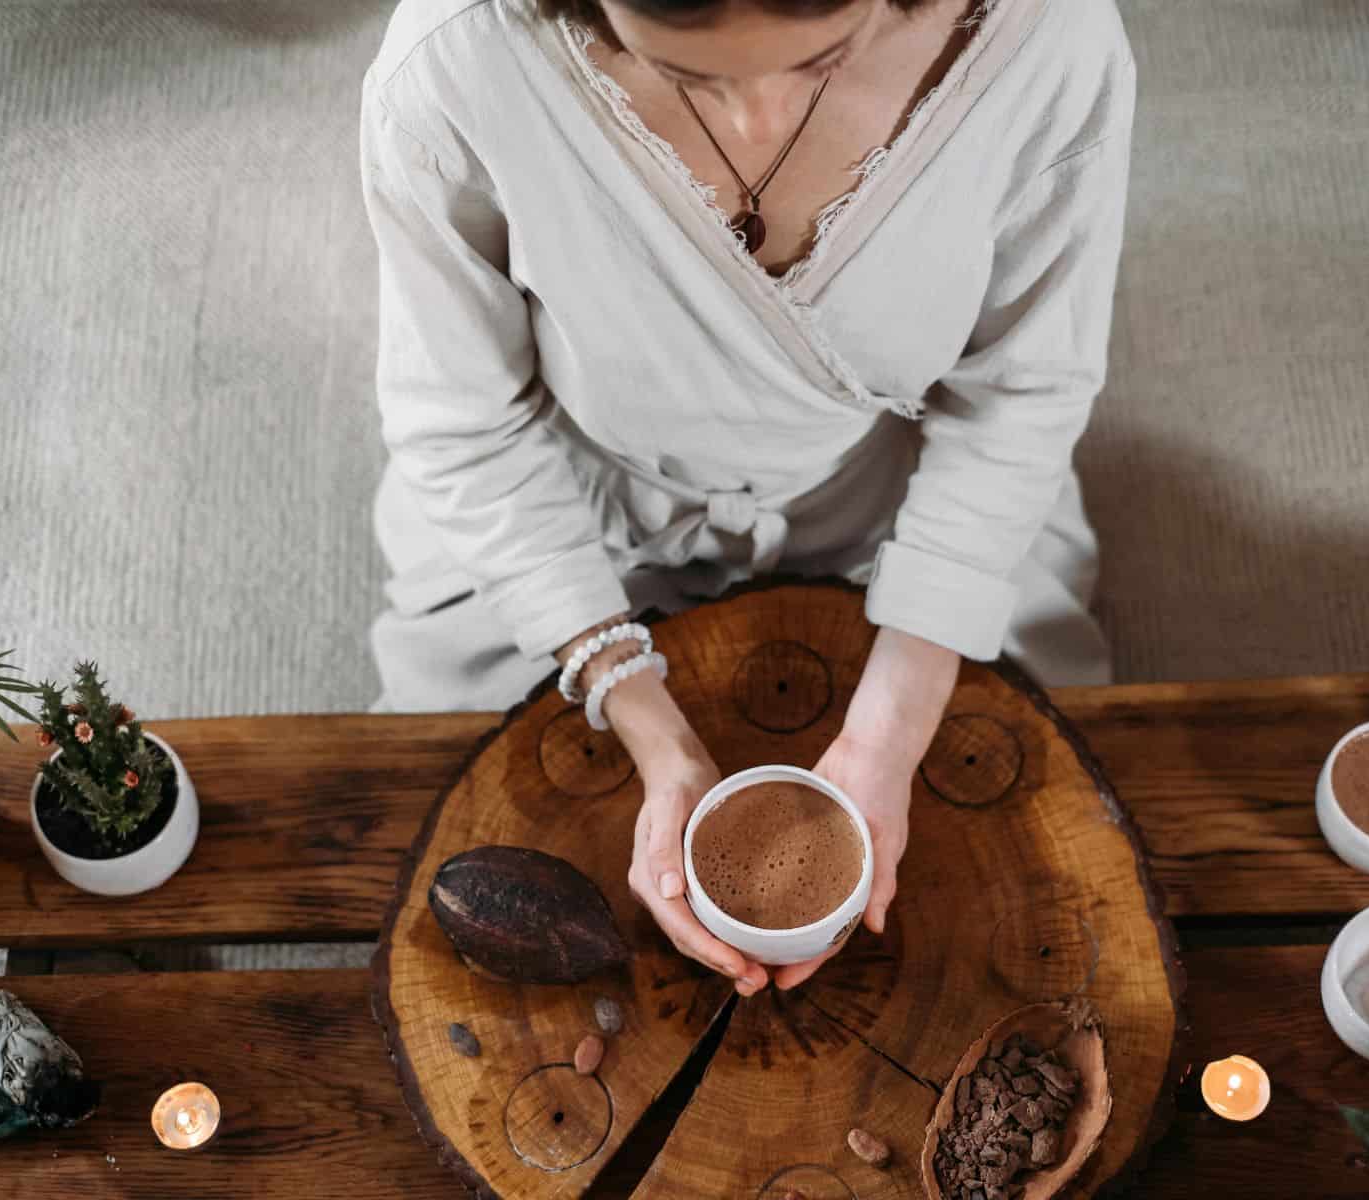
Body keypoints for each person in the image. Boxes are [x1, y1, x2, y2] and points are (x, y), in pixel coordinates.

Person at [361, 0, 1134, 996]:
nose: (757, 118)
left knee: (1037, 821)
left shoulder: (1051, 40)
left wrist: (887, 733)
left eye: (820, 62)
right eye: (687, 76)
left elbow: (1021, 391)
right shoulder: (453, 60)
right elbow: (465, 423)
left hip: (882, 487)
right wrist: (647, 724)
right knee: (448, 825)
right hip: (576, 493)